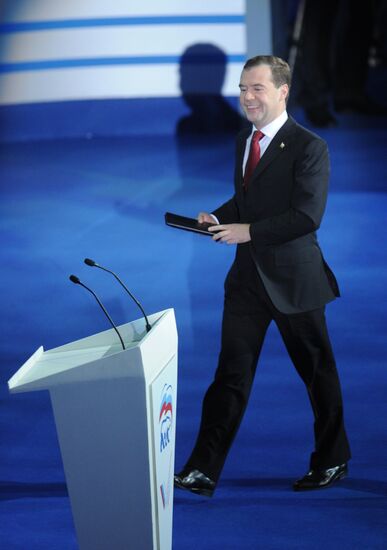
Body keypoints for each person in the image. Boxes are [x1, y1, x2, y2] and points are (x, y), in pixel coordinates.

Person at [174, 55, 351, 497]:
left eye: (257, 89)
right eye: (243, 89)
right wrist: (218, 215)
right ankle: (202, 468)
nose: (248, 97)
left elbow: (307, 216)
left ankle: (332, 459)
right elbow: (246, 200)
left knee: (317, 374)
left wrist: (247, 231)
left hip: (295, 283)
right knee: (229, 376)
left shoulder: (311, 147)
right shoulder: (244, 140)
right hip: (248, 283)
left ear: (282, 91)